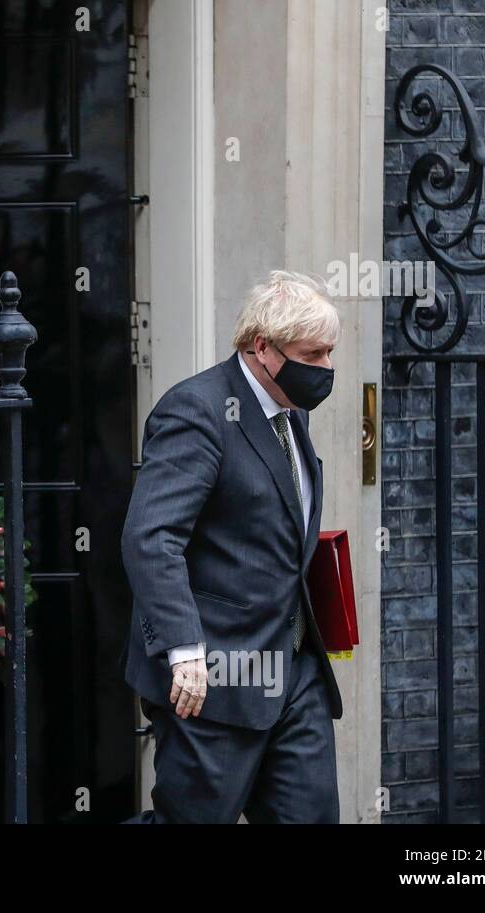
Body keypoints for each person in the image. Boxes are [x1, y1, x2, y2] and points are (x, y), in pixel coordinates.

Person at [121, 270, 344, 823]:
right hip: (213, 676)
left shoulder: (292, 413)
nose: (326, 369)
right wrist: (184, 650)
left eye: (330, 353)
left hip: (296, 670)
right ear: (262, 347)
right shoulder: (197, 410)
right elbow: (151, 536)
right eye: (312, 354)